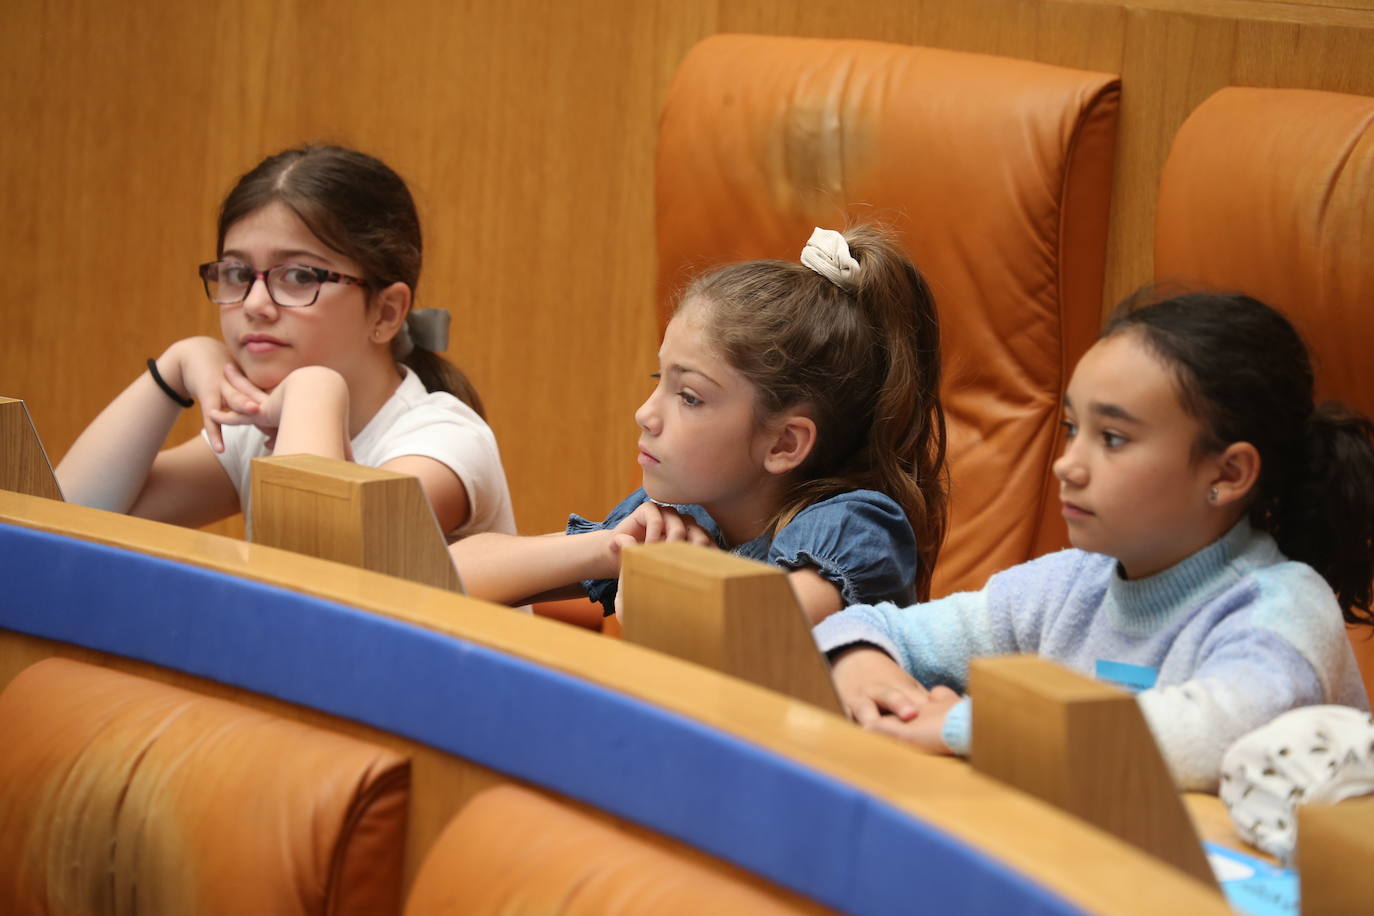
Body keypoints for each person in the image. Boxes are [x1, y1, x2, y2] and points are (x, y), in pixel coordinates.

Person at [817, 291, 1374, 791]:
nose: (1067, 465)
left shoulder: (1284, 610)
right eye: (1071, 429)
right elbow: (871, 625)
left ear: (1227, 475)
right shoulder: (1070, 584)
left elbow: (1202, 740)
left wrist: (968, 723)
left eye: (1112, 438)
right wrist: (866, 668)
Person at [453, 225, 948, 624]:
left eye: (688, 396)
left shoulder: (857, 524)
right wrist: (610, 549)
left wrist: (668, 582)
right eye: (658, 378)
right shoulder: (682, 510)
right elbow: (444, 574)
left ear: (784, 442)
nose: (645, 414)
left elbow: (758, 633)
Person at [56, 145, 517, 540]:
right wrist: (175, 369)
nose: (255, 304)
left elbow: (310, 576)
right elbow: (66, 522)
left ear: (386, 312)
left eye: (300, 276)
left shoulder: (442, 445)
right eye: (237, 274)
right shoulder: (255, 436)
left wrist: (313, 390)